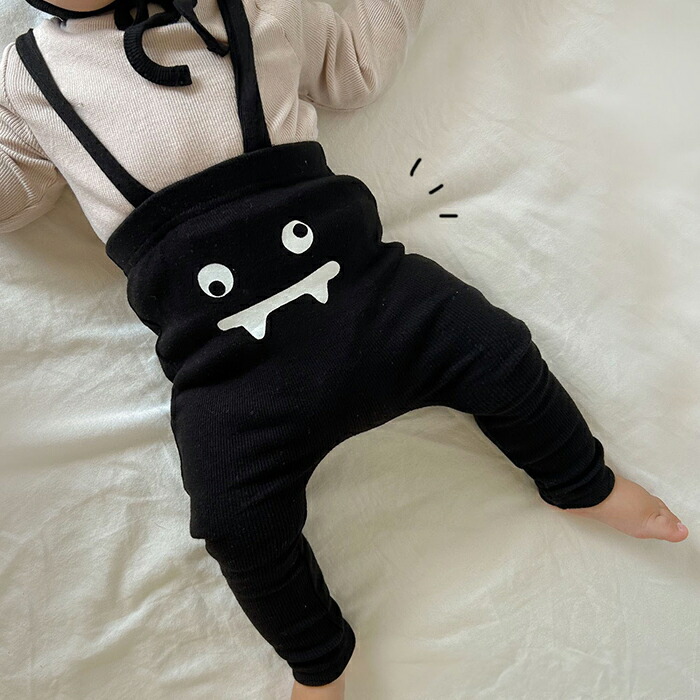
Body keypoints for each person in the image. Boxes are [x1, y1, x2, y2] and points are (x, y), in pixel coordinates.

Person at [0, 1, 689, 698]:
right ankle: (319, 659)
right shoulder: (31, 77)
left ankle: (581, 481)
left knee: (497, 351)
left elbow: (355, 63)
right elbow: (12, 193)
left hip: (371, 294)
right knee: (235, 523)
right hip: (230, 369)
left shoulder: (253, 9)